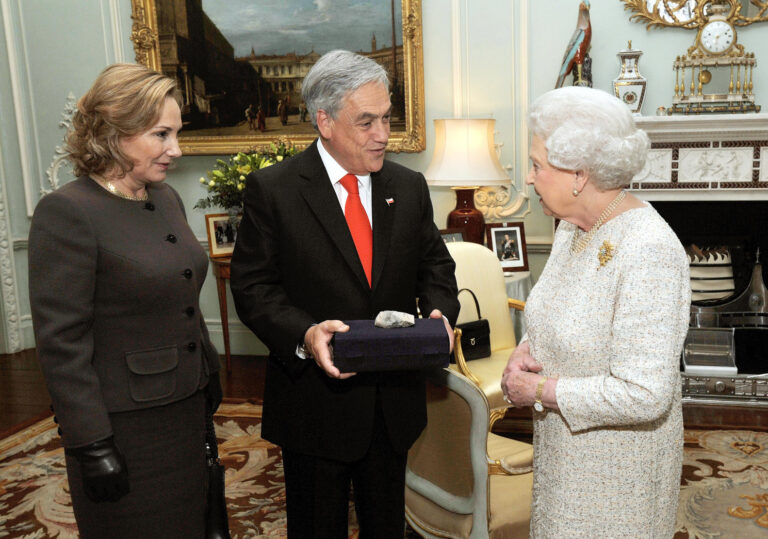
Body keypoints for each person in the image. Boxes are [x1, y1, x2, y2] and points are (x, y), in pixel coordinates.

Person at [230, 50, 459, 538]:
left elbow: (435, 266)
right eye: (367, 122)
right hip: (315, 405)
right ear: (325, 121)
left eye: (387, 119)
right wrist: (306, 333)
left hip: (392, 403)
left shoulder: (408, 186)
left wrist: (439, 312)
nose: (383, 135)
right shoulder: (275, 190)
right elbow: (253, 288)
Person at [28, 63, 223, 539]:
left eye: (176, 134)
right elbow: (62, 346)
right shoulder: (68, 212)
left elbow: (181, 293)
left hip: (186, 409)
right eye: (161, 134)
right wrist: (91, 444)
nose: (175, 150)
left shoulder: (167, 198)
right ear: (113, 131)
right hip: (124, 428)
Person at [500, 86, 690, 537]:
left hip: (618, 478)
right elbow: (556, 314)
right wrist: (524, 352)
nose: (529, 178)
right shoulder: (572, 226)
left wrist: (541, 389)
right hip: (565, 462)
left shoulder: (650, 250)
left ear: (579, 175)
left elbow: (645, 393)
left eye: (537, 165)